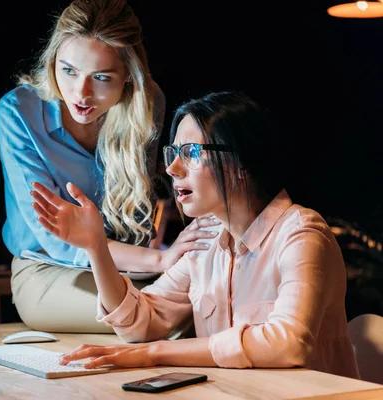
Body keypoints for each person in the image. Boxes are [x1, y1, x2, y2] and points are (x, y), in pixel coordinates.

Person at [30, 91, 360, 378]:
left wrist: (155, 354)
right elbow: (140, 322)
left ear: (241, 161)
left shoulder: (301, 233)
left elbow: (289, 343)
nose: (173, 169)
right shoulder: (206, 240)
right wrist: (96, 247)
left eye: (190, 153)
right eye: (173, 154)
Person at [0, 0, 219, 333]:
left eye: (101, 77)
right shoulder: (18, 112)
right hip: (47, 270)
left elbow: (137, 211)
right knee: (155, 318)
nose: (80, 93)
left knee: (210, 300)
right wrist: (160, 260)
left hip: (130, 266)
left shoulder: (146, 102)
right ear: (53, 60)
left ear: (129, 75)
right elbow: (56, 239)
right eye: (68, 70)